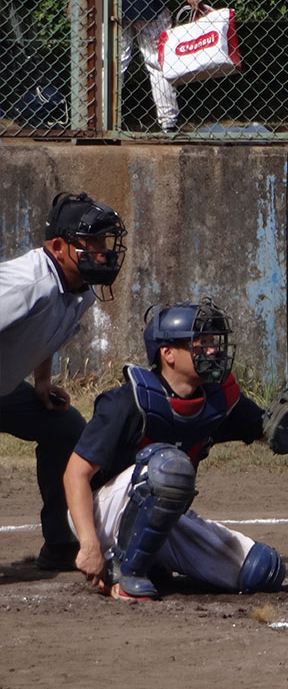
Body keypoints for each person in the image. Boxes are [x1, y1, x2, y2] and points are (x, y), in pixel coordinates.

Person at [63, 298, 288, 600]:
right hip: (100, 513)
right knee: (168, 468)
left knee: (262, 569)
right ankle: (125, 573)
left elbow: (267, 432)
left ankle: (149, 559)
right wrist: (89, 544)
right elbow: (75, 474)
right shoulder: (126, 402)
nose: (212, 350)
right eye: (200, 342)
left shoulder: (216, 400)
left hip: (160, 512)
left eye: (212, 342)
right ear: (167, 353)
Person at [0, 192, 127, 571]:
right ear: (58, 247)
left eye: (105, 242)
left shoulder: (81, 288)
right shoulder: (26, 285)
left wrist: (41, 381)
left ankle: (60, 542)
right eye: (91, 243)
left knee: (67, 429)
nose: (103, 252)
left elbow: (46, 333)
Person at [119, 0, 203, 132]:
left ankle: (102, 121)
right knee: (158, 63)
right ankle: (168, 122)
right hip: (147, 1)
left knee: (113, 64)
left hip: (117, 3)